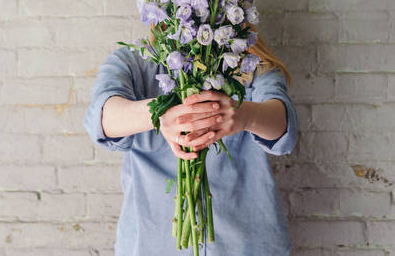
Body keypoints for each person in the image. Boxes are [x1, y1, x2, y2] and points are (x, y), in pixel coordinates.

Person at [83, 23, 298, 256]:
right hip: (152, 244)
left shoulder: (249, 62)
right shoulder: (133, 61)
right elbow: (102, 117)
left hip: (246, 245)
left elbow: (284, 125)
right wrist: (159, 114)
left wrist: (244, 115)